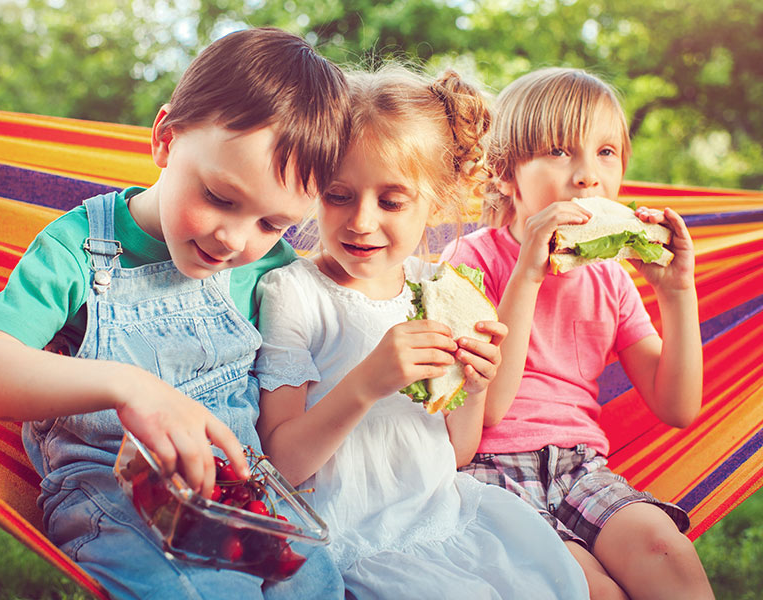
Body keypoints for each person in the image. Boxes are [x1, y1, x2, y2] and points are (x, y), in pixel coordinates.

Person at [0, 28, 351, 600]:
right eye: (220, 197)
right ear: (164, 139)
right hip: (115, 496)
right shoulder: (79, 248)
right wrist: (128, 386)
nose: (234, 239)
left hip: (235, 496)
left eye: (271, 223)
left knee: (319, 584)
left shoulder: (275, 272)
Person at [252, 65, 590, 600]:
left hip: (444, 518)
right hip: (353, 538)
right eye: (339, 195)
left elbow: (454, 451)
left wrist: (473, 389)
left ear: (437, 203)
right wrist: (366, 383)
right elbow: (281, 465)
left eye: (391, 201)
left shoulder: (442, 289)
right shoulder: (292, 293)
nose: (361, 221)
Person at [440, 66, 714, 600]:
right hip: (488, 473)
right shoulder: (470, 260)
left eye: (605, 152)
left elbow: (677, 407)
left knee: (668, 554)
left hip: (580, 466)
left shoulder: (610, 277)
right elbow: (488, 407)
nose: (588, 174)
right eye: (560, 151)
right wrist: (527, 275)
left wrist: (677, 293)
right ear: (503, 174)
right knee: (589, 589)